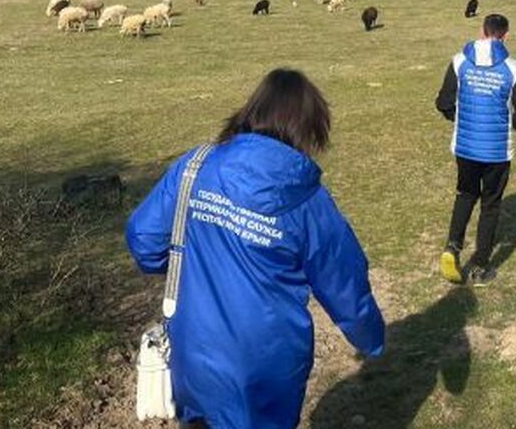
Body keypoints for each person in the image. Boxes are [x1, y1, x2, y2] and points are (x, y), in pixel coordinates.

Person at [126, 68, 385, 429]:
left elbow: (143, 239)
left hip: (193, 348)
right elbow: (344, 282)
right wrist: (371, 337)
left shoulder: (195, 166)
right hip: (267, 364)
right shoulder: (309, 201)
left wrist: (192, 265)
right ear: (309, 129)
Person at [434, 14, 516, 285]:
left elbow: (443, 102)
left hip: (464, 148)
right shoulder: (512, 68)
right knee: (490, 205)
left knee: (465, 194)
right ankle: (480, 267)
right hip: (497, 152)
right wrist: (508, 126)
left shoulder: (459, 62)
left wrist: (460, 118)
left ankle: (452, 248)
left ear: (481, 31)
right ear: (505, 36)